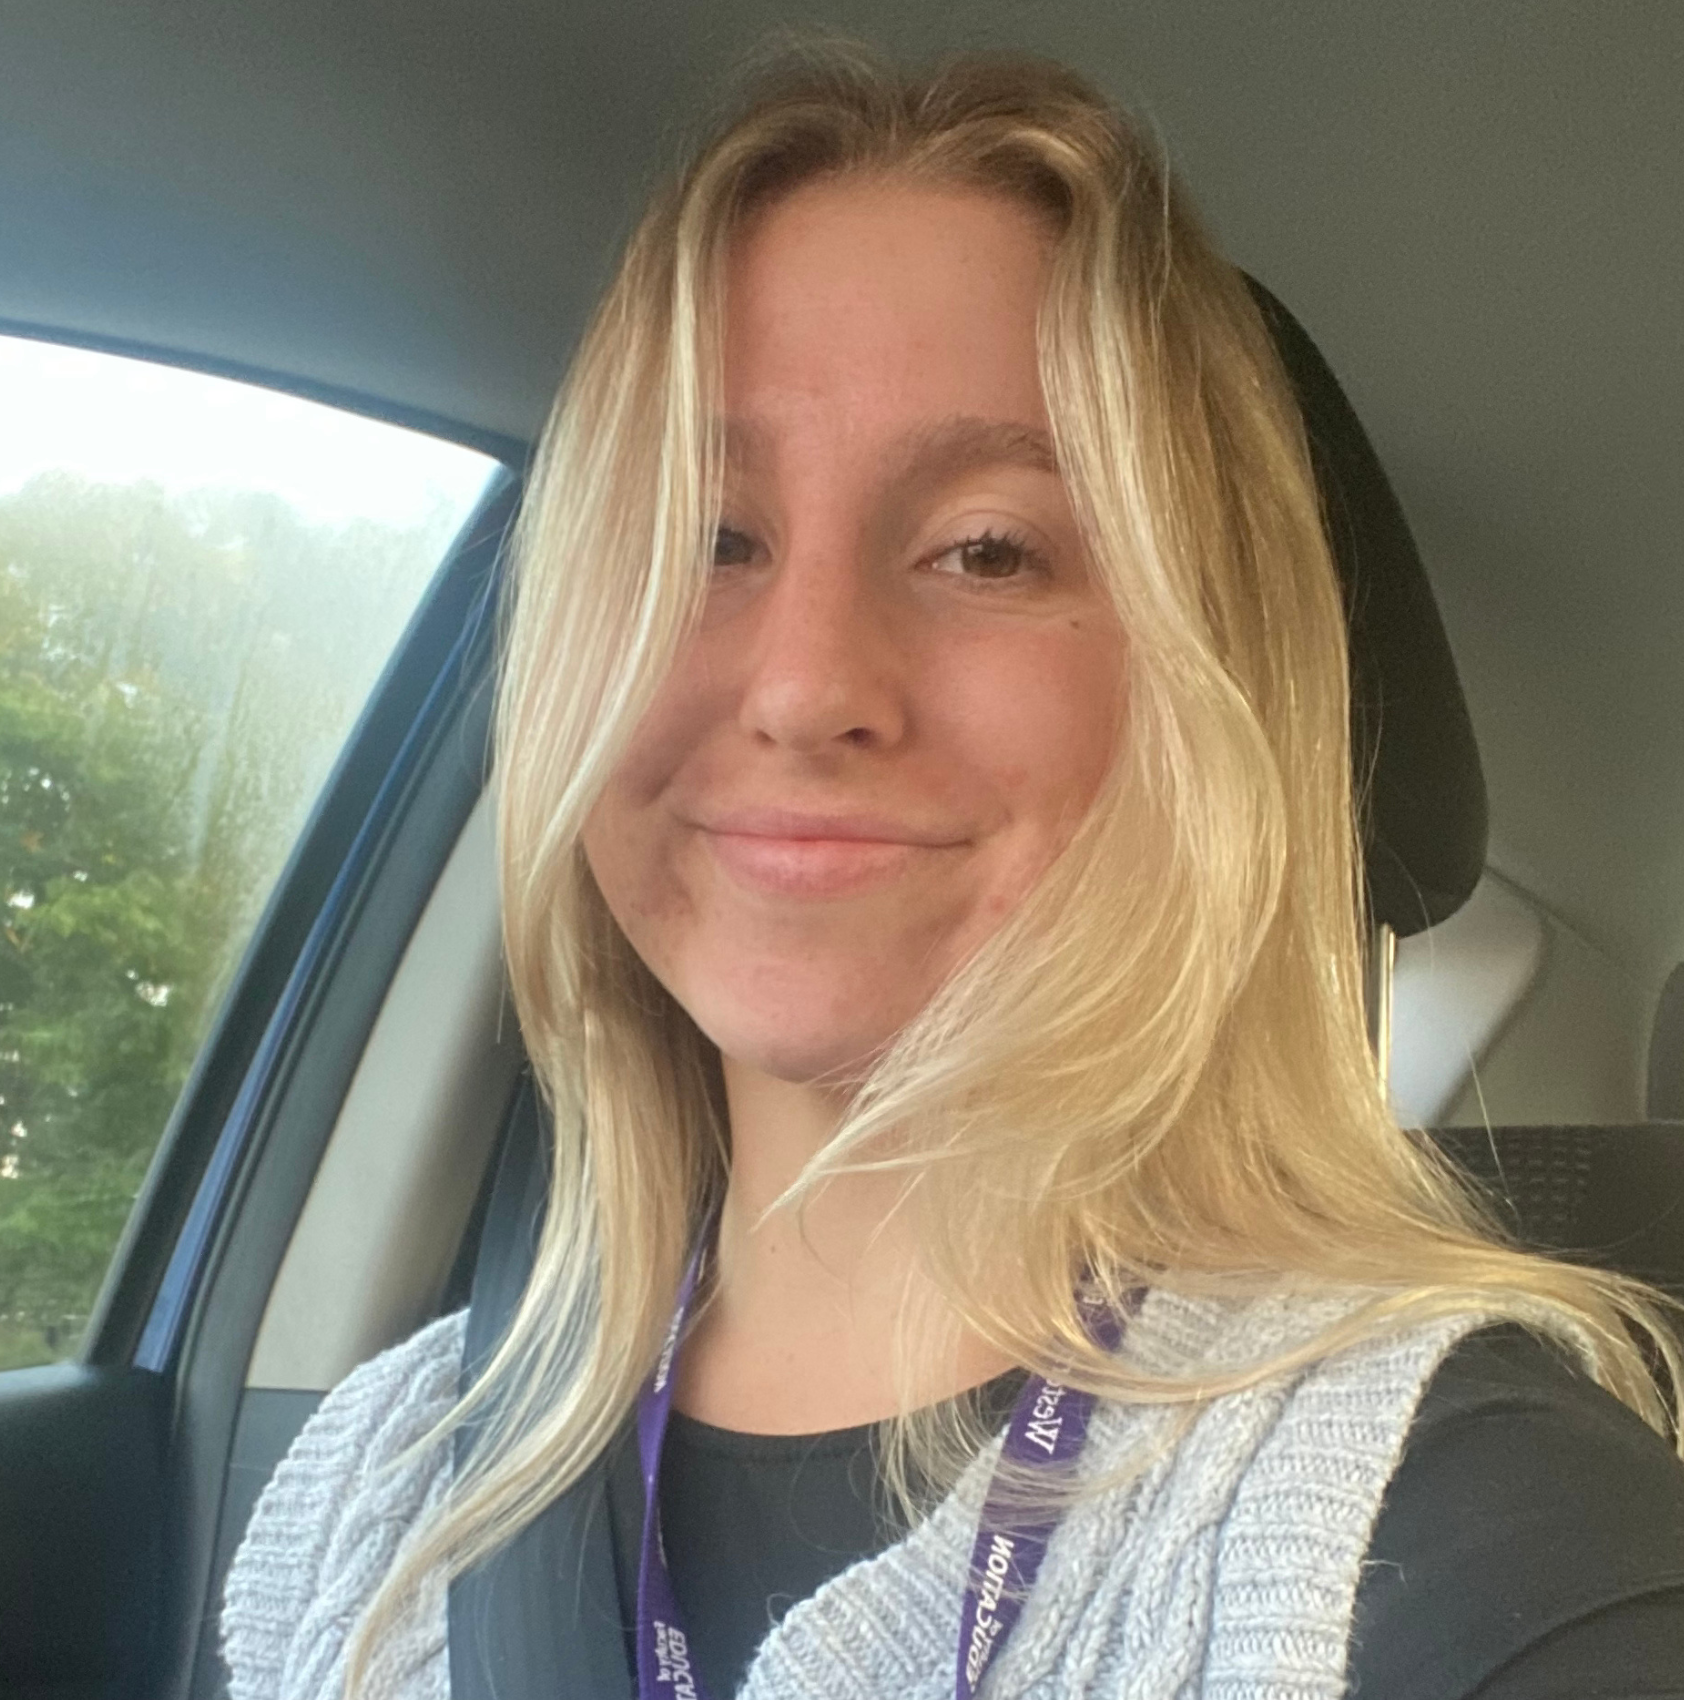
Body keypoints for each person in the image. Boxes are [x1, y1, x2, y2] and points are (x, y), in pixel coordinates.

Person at [221, 45, 1684, 1700]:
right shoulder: (374, 1489)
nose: (804, 686)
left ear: (1201, 694)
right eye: (705, 536)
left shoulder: (1495, 1539)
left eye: (987, 549)